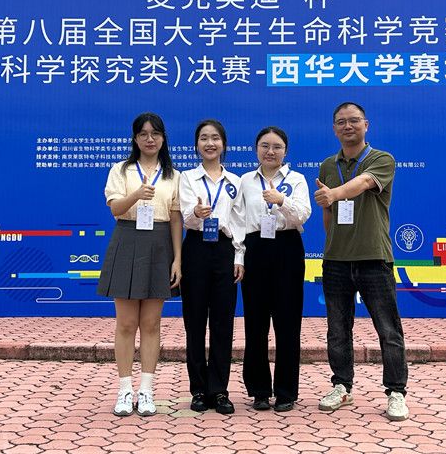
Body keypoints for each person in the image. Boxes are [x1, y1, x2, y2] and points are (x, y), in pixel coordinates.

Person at [313, 102, 409, 421]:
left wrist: (335, 194)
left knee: (388, 329)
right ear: (334, 128)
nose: (348, 126)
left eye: (354, 120)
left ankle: (396, 392)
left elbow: (365, 182)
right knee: (337, 330)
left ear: (366, 125)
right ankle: (342, 386)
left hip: (373, 257)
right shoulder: (328, 165)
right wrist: (334, 242)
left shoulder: (382, 159)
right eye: (341, 122)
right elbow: (328, 214)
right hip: (336, 261)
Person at [96, 112, 182, 417]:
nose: (150, 139)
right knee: (126, 323)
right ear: (135, 138)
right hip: (127, 239)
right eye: (143, 134)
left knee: (151, 323)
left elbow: (175, 219)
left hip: (160, 244)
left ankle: (146, 390)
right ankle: (124, 389)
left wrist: (178, 259)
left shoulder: (173, 175)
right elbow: (115, 209)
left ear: (163, 138)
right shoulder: (121, 170)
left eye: (155, 134)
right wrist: (136, 194)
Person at [240, 126, 311, 412]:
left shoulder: (297, 179)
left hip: (287, 247)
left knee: (288, 323)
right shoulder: (245, 181)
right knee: (255, 323)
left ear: (286, 151)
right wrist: (239, 256)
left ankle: (285, 392)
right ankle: (259, 390)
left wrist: (281, 200)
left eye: (277, 147)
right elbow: (238, 221)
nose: (270, 151)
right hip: (255, 248)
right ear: (256, 149)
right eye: (265, 146)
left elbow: (303, 214)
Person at [179, 119, 246, 414]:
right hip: (195, 247)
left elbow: (241, 221)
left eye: (215, 138)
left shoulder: (235, 182)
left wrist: (239, 256)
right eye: (204, 138)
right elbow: (183, 215)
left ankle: (219, 390)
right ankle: (198, 389)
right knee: (194, 321)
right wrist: (195, 212)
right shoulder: (187, 178)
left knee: (223, 322)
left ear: (224, 144)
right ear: (196, 145)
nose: (210, 143)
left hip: (224, 249)